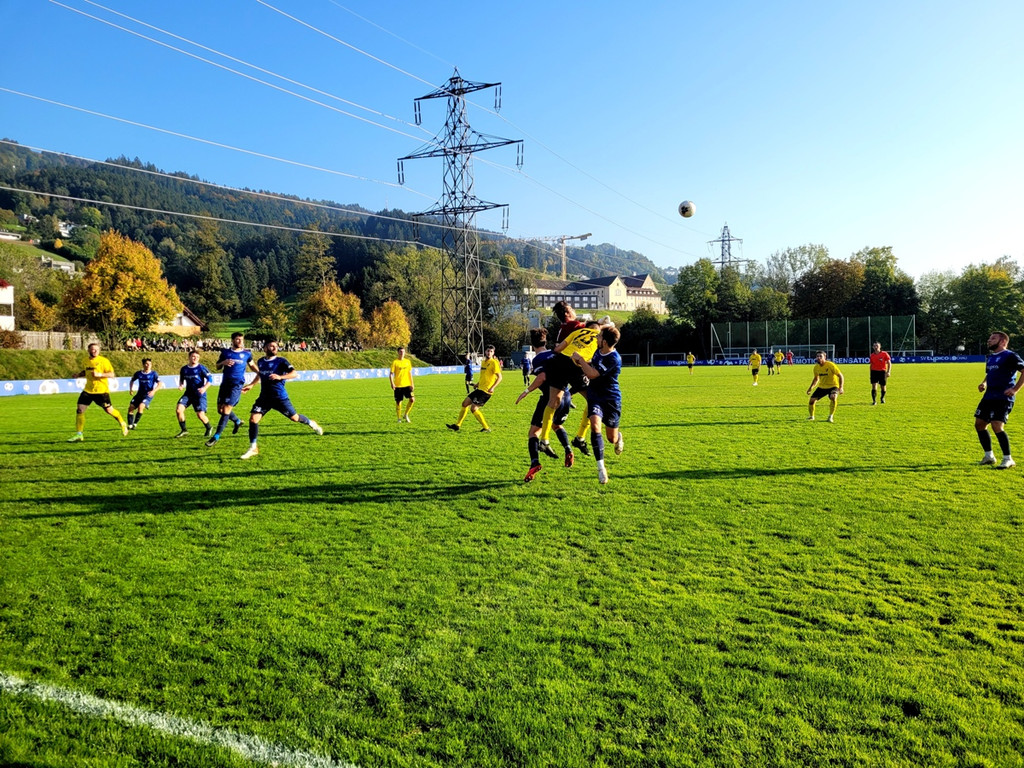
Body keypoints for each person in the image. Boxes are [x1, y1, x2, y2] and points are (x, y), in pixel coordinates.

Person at [240, 340, 323, 460]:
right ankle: (253, 448)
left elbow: (294, 374)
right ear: (264, 348)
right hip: (264, 397)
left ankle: (311, 423)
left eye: (276, 346)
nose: (274, 348)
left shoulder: (281, 361)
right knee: (253, 419)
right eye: (271, 346)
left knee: (295, 418)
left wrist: (280, 377)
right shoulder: (261, 361)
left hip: (279, 397)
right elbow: (260, 374)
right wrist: (251, 385)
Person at [515, 328, 574, 481]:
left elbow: (542, 377)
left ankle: (534, 463)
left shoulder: (538, 359)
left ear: (532, 344)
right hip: (566, 396)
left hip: (550, 398)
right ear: (545, 341)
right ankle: (568, 449)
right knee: (556, 425)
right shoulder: (556, 353)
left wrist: (526, 391)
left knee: (534, 433)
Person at [572, 326, 624, 484]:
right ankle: (601, 468)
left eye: (599, 336)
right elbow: (592, 364)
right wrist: (582, 361)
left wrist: (580, 360)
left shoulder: (614, 358)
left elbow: (593, 374)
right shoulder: (598, 351)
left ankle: (618, 437)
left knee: (611, 438)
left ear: (605, 342)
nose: (596, 338)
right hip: (595, 396)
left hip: (611, 399)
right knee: (595, 426)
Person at [974, 331, 1024, 469]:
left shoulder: (1010, 356)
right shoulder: (990, 357)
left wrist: (1014, 389)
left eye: (993, 338)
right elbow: (989, 373)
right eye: (989, 338)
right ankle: (989, 456)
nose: (989, 340)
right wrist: (984, 383)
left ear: (1003, 342)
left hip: (1003, 397)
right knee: (979, 424)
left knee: (997, 425)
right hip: (989, 396)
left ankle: (1008, 459)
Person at [206, 332, 260, 446]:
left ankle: (216, 437)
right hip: (225, 384)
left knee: (226, 410)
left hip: (237, 385)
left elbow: (252, 365)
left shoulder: (247, 354)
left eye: (241, 339)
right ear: (233, 340)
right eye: (237, 339)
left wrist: (261, 373)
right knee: (220, 410)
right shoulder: (225, 352)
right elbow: (217, 366)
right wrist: (223, 362)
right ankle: (237, 421)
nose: (240, 341)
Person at [67, 342, 128, 441]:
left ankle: (122, 422)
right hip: (88, 390)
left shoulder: (104, 361)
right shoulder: (85, 360)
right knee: (79, 410)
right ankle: (79, 434)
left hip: (101, 391)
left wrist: (100, 375)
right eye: (93, 349)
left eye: (97, 349)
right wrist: (78, 374)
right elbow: (86, 371)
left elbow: (112, 374)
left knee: (109, 410)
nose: (95, 351)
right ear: (89, 350)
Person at [447, 345, 502, 432]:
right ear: (485, 351)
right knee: (465, 403)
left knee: (474, 408)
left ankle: (486, 428)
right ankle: (457, 425)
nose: (489, 353)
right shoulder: (483, 362)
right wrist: (477, 384)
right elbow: (484, 376)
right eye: (488, 351)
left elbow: (500, 377)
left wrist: (492, 387)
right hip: (479, 389)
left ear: (493, 353)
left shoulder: (494, 363)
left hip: (486, 391)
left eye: (491, 351)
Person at [175, 350, 213, 438]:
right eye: (193, 356)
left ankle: (208, 427)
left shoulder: (201, 368)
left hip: (199, 394)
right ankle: (184, 430)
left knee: (200, 415)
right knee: (178, 410)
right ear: (189, 357)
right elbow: (182, 379)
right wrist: (181, 385)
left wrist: (204, 388)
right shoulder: (184, 369)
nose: (195, 358)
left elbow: (210, 379)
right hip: (188, 394)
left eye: (197, 357)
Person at [806, 350, 844, 422]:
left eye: (821, 356)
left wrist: (841, 387)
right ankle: (811, 417)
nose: (819, 358)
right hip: (822, 387)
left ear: (825, 357)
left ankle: (830, 416)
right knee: (811, 401)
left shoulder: (831, 365)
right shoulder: (816, 367)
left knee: (833, 397)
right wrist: (810, 388)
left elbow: (841, 376)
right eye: (817, 356)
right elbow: (816, 379)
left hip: (833, 386)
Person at [126, 358, 163, 430]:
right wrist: (131, 389)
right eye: (146, 364)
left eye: (149, 364)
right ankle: (130, 425)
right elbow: (132, 380)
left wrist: (153, 391)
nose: (148, 365)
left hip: (148, 395)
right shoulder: (138, 373)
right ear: (143, 365)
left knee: (140, 407)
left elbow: (160, 384)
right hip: (139, 394)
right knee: (131, 407)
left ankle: (135, 423)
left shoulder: (154, 374)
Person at [389, 346, 415, 423]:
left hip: (407, 385)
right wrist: (392, 383)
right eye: (400, 352)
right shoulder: (395, 362)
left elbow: (410, 373)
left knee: (412, 399)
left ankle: (406, 414)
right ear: (398, 352)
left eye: (403, 351)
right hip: (398, 385)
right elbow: (391, 374)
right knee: (398, 402)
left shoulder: (407, 362)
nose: (402, 353)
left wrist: (412, 383)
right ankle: (399, 418)